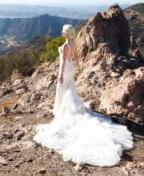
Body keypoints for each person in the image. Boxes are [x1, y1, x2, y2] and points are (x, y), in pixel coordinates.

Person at [33, 24, 134, 167]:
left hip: (65, 69)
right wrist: (78, 68)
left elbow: (62, 62)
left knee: (62, 89)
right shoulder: (74, 44)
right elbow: (75, 58)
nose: (62, 33)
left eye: (64, 31)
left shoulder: (67, 45)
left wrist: (60, 75)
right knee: (70, 89)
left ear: (67, 33)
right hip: (71, 67)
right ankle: (65, 108)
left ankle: (63, 110)